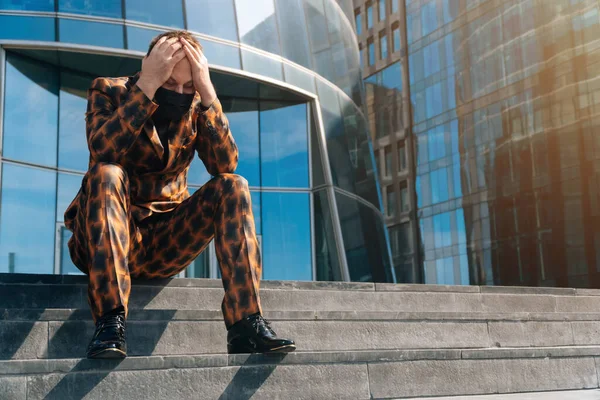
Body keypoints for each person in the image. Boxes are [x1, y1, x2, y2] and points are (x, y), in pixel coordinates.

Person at [64, 30, 296, 359]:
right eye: (170, 83)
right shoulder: (108, 90)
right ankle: (110, 322)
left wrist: (207, 93)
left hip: (164, 242)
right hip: (104, 238)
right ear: (150, 68)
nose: (180, 93)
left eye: (188, 86)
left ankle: (246, 322)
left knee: (234, 184)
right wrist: (146, 88)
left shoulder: (196, 107)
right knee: (107, 173)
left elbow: (224, 163)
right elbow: (104, 150)